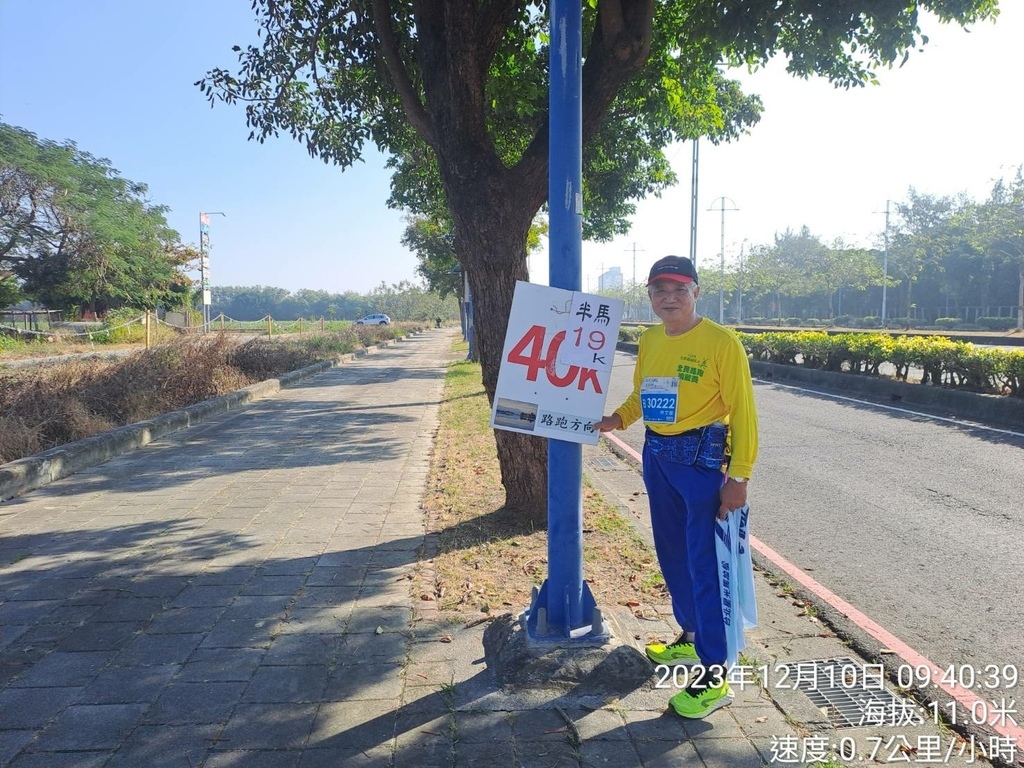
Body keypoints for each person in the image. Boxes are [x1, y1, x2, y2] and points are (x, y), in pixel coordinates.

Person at [594, 254, 758, 719]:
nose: (669, 298)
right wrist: (618, 418)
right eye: (659, 290)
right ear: (649, 295)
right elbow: (644, 393)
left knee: (707, 566)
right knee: (673, 553)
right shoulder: (649, 339)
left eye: (679, 289)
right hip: (658, 457)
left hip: (704, 464)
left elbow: (744, 412)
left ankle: (715, 676)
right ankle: (690, 637)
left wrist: (739, 478)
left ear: (696, 293)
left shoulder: (721, 343)